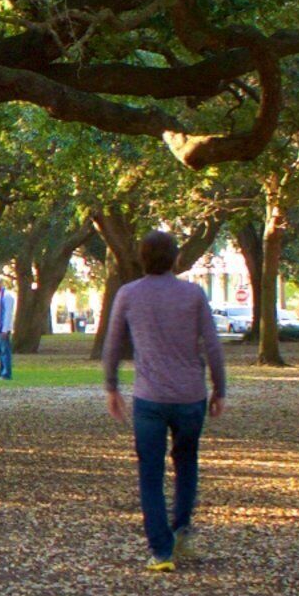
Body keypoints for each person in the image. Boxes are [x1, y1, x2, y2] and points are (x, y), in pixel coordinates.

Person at [98, 232, 225, 570]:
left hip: (149, 397)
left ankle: (161, 550)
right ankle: (181, 529)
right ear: (175, 258)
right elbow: (212, 345)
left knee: (150, 472)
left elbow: (112, 344)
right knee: (187, 463)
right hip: (190, 395)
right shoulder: (193, 295)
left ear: (142, 259)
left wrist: (111, 387)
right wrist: (219, 389)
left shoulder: (128, 294)